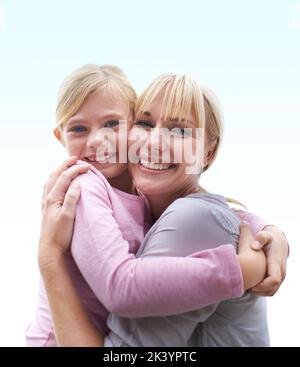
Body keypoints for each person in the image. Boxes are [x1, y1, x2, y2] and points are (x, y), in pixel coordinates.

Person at [32, 67, 288, 346]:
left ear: (209, 152)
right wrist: (237, 271)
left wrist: (268, 230)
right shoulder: (88, 183)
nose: (154, 142)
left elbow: (218, 214)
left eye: (179, 131)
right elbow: (121, 287)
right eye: (145, 124)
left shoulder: (178, 210)